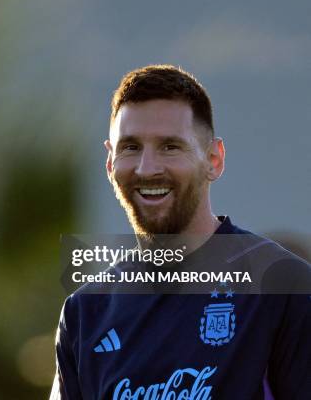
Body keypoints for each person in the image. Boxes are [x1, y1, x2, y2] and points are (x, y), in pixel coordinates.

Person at [50, 65, 311, 399]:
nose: (147, 168)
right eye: (130, 147)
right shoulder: (85, 312)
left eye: (170, 147)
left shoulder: (282, 288)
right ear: (109, 162)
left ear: (213, 159)